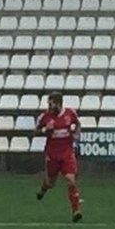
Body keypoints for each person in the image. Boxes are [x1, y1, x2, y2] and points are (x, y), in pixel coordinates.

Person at [34, 93, 84, 222]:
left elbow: (78, 125)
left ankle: (76, 211)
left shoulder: (70, 114)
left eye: (51, 104)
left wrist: (76, 135)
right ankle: (43, 189)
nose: (49, 107)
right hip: (52, 154)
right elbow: (36, 131)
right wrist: (45, 130)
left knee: (70, 180)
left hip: (67, 153)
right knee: (51, 183)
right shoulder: (45, 117)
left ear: (58, 103)